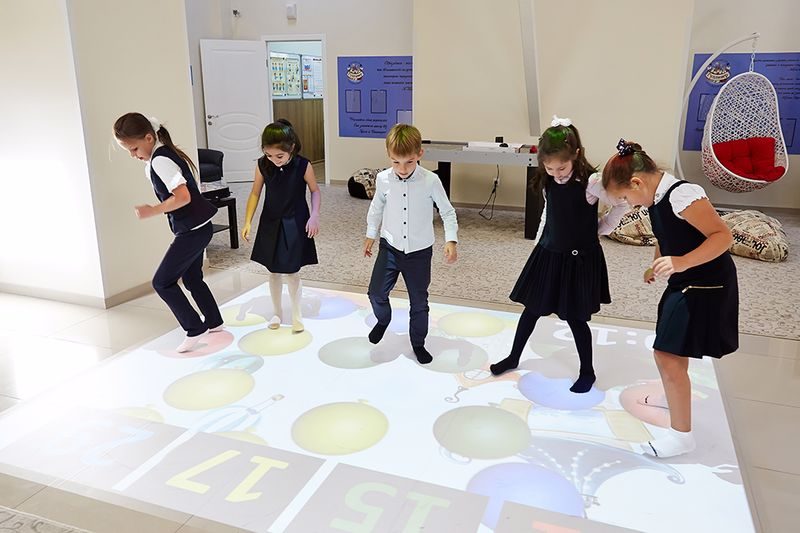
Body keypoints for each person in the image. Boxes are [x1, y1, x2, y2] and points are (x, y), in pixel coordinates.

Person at [602, 138, 738, 458]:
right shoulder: (657, 198)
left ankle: (681, 437)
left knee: (666, 353)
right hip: (685, 281)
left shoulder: (682, 195)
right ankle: (673, 400)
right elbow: (667, 235)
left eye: (625, 198)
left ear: (637, 182)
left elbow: (723, 236)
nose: (630, 205)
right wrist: (656, 263)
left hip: (705, 284)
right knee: (674, 350)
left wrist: (682, 262)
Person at [490, 116, 629, 394]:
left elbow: (621, 204)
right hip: (549, 254)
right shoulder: (548, 180)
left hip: (578, 260)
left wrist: (601, 228)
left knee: (576, 319)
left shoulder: (590, 183)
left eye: (562, 167)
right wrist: (539, 244)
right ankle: (514, 357)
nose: (557, 173)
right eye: (550, 167)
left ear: (576, 154)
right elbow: (548, 213)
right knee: (531, 310)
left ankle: (587, 371)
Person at [113, 112, 224, 353]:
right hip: (199, 226)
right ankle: (214, 321)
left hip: (192, 231)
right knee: (192, 278)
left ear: (148, 138)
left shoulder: (160, 161)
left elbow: (183, 197)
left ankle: (194, 328)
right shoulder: (161, 155)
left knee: (162, 282)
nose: (133, 155)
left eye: (134, 149)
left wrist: (152, 210)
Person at [364, 124, 458, 364]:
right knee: (375, 293)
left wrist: (451, 239)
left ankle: (418, 343)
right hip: (390, 247)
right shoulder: (383, 179)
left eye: (409, 162)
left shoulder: (431, 181)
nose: (402, 169)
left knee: (419, 302)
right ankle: (383, 320)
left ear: (419, 155)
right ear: (389, 156)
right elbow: (376, 208)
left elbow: (447, 212)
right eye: (396, 162)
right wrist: (370, 234)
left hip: (419, 252)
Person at [242, 119, 320, 333]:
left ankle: (297, 314)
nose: (274, 160)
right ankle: (277, 312)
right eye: (269, 155)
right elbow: (255, 193)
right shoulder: (262, 165)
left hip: (295, 221)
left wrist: (314, 216)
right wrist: (248, 221)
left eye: (279, 156)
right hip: (271, 221)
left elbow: (315, 190)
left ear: (291, 148)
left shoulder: (303, 165)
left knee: (292, 271)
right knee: (274, 271)